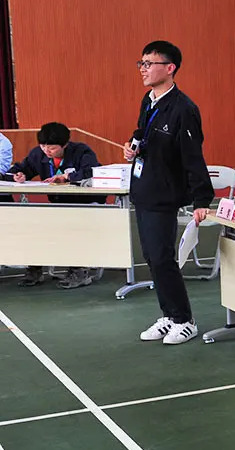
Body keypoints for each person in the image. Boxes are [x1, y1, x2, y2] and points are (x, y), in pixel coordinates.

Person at [123, 40, 214, 346]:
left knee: (162, 257)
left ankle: (184, 320)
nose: (143, 69)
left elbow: (193, 156)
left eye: (150, 64)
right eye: (142, 63)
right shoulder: (148, 100)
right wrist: (132, 147)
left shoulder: (183, 109)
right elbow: (142, 133)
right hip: (144, 188)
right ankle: (169, 315)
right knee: (152, 256)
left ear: (170, 68)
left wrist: (202, 199)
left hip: (164, 192)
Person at [7, 122, 101, 289]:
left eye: (52, 148)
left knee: (72, 226)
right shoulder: (37, 154)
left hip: (85, 204)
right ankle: (34, 268)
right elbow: (21, 168)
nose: (46, 151)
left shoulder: (81, 151)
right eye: (43, 146)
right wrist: (18, 175)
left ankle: (79, 270)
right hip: (58, 204)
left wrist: (67, 177)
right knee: (33, 224)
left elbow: (93, 171)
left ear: (65, 145)